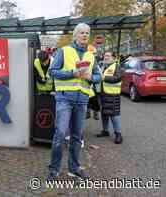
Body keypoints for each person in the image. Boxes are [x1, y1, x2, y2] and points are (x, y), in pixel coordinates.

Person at [47, 23, 101, 180]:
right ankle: (54, 169)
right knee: (60, 134)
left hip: (82, 100)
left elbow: (99, 76)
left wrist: (91, 77)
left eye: (87, 33)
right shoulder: (64, 51)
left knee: (77, 137)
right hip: (64, 98)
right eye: (82, 33)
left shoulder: (91, 56)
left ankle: (74, 168)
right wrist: (73, 73)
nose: (85, 35)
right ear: (75, 35)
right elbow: (53, 72)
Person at [96, 51, 123, 144]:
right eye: (105, 56)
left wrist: (104, 78)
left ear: (114, 58)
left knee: (114, 115)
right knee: (104, 113)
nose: (105, 57)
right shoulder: (103, 66)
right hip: (103, 94)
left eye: (108, 56)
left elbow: (118, 78)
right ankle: (105, 131)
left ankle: (118, 134)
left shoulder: (117, 66)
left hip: (113, 95)